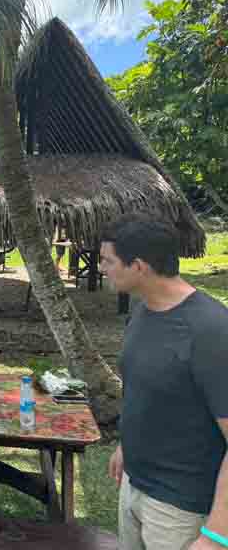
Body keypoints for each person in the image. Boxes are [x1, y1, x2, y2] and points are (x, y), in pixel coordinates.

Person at [100, 214, 228, 550]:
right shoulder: (143, 312)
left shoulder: (211, 332)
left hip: (179, 508)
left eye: (108, 261)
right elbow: (146, 387)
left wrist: (216, 535)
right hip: (134, 485)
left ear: (139, 267)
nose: (102, 268)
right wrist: (126, 443)